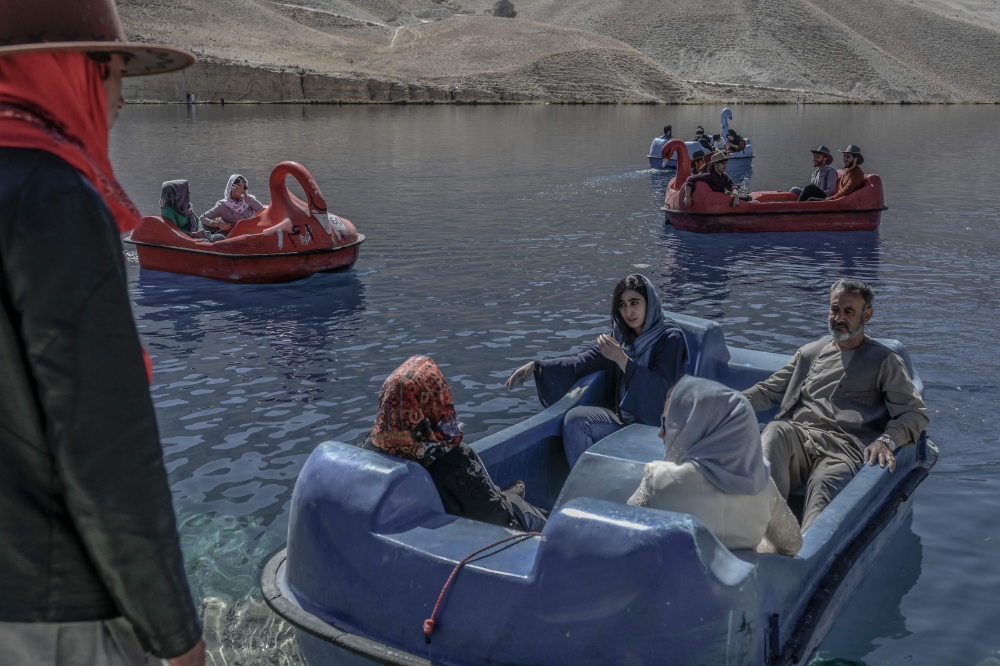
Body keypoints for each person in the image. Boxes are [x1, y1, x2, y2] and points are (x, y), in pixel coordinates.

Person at [0, 1, 205, 665]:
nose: (118, 103)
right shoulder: (50, 199)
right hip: (48, 612)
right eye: (114, 76)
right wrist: (178, 636)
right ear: (72, 73)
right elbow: (108, 455)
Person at [743, 279, 929, 531]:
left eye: (849, 312)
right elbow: (767, 391)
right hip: (799, 437)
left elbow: (913, 413)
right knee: (775, 430)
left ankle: (806, 554)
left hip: (845, 448)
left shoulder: (884, 360)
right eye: (834, 309)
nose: (839, 318)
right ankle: (764, 531)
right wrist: (721, 405)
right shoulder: (809, 353)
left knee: (824, 484)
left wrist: (886, 440)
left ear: (867, 315)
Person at [505, 275, 688, 467]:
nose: (628, 311)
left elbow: (662, 389)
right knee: (576, 421)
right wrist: (538, 366)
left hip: (658, 427)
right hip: (625, 418)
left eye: (635, 303)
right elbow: (583, 362)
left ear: (649, 303)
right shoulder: (620, 336)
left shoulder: (670, 339)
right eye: (622, 305)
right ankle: (585, 491)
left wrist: (622, 359)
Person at [368, 355, 547, 532]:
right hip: (473, 538)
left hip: (411, 530)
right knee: (540, 518)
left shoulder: (372, 447)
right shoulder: (454, 458)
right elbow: (498, 519)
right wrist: (511, 503)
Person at [628, 377, 801, 556]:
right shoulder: (763, 486)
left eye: (668, 423)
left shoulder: (658, 477)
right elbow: (792, 544)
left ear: (695, 427)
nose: (660, 433)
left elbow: (626, 535)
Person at [682, 153, 755, 208]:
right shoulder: (709, 176)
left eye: (726, 163)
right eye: (722, 163)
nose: (725, 166)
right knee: (752, 201)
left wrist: (736, 197)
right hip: (713, 203)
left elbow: (732, 186)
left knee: (748, 198)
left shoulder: (725, 176)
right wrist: (687, 197)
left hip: (721, 201)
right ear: (715, 165)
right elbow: (690, 179)